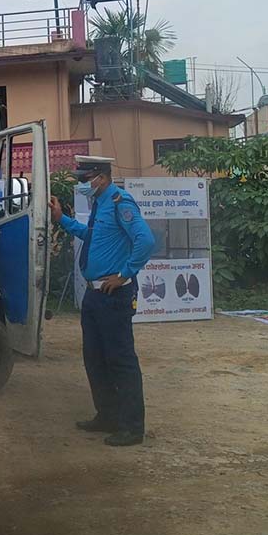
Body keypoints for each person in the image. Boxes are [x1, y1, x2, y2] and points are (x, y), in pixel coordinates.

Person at [51, 155, 155, 447]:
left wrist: (124, 274)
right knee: (95, 359)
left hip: (113, 295)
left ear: (101, 177)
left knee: (120, 360)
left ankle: (132, 427)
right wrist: (62, 219)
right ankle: (107, 416)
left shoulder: (121, 202)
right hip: (94, 294)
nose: (83, 184)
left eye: (85, 180)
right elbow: (90, 236)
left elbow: (145, 241)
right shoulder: (100, 205)